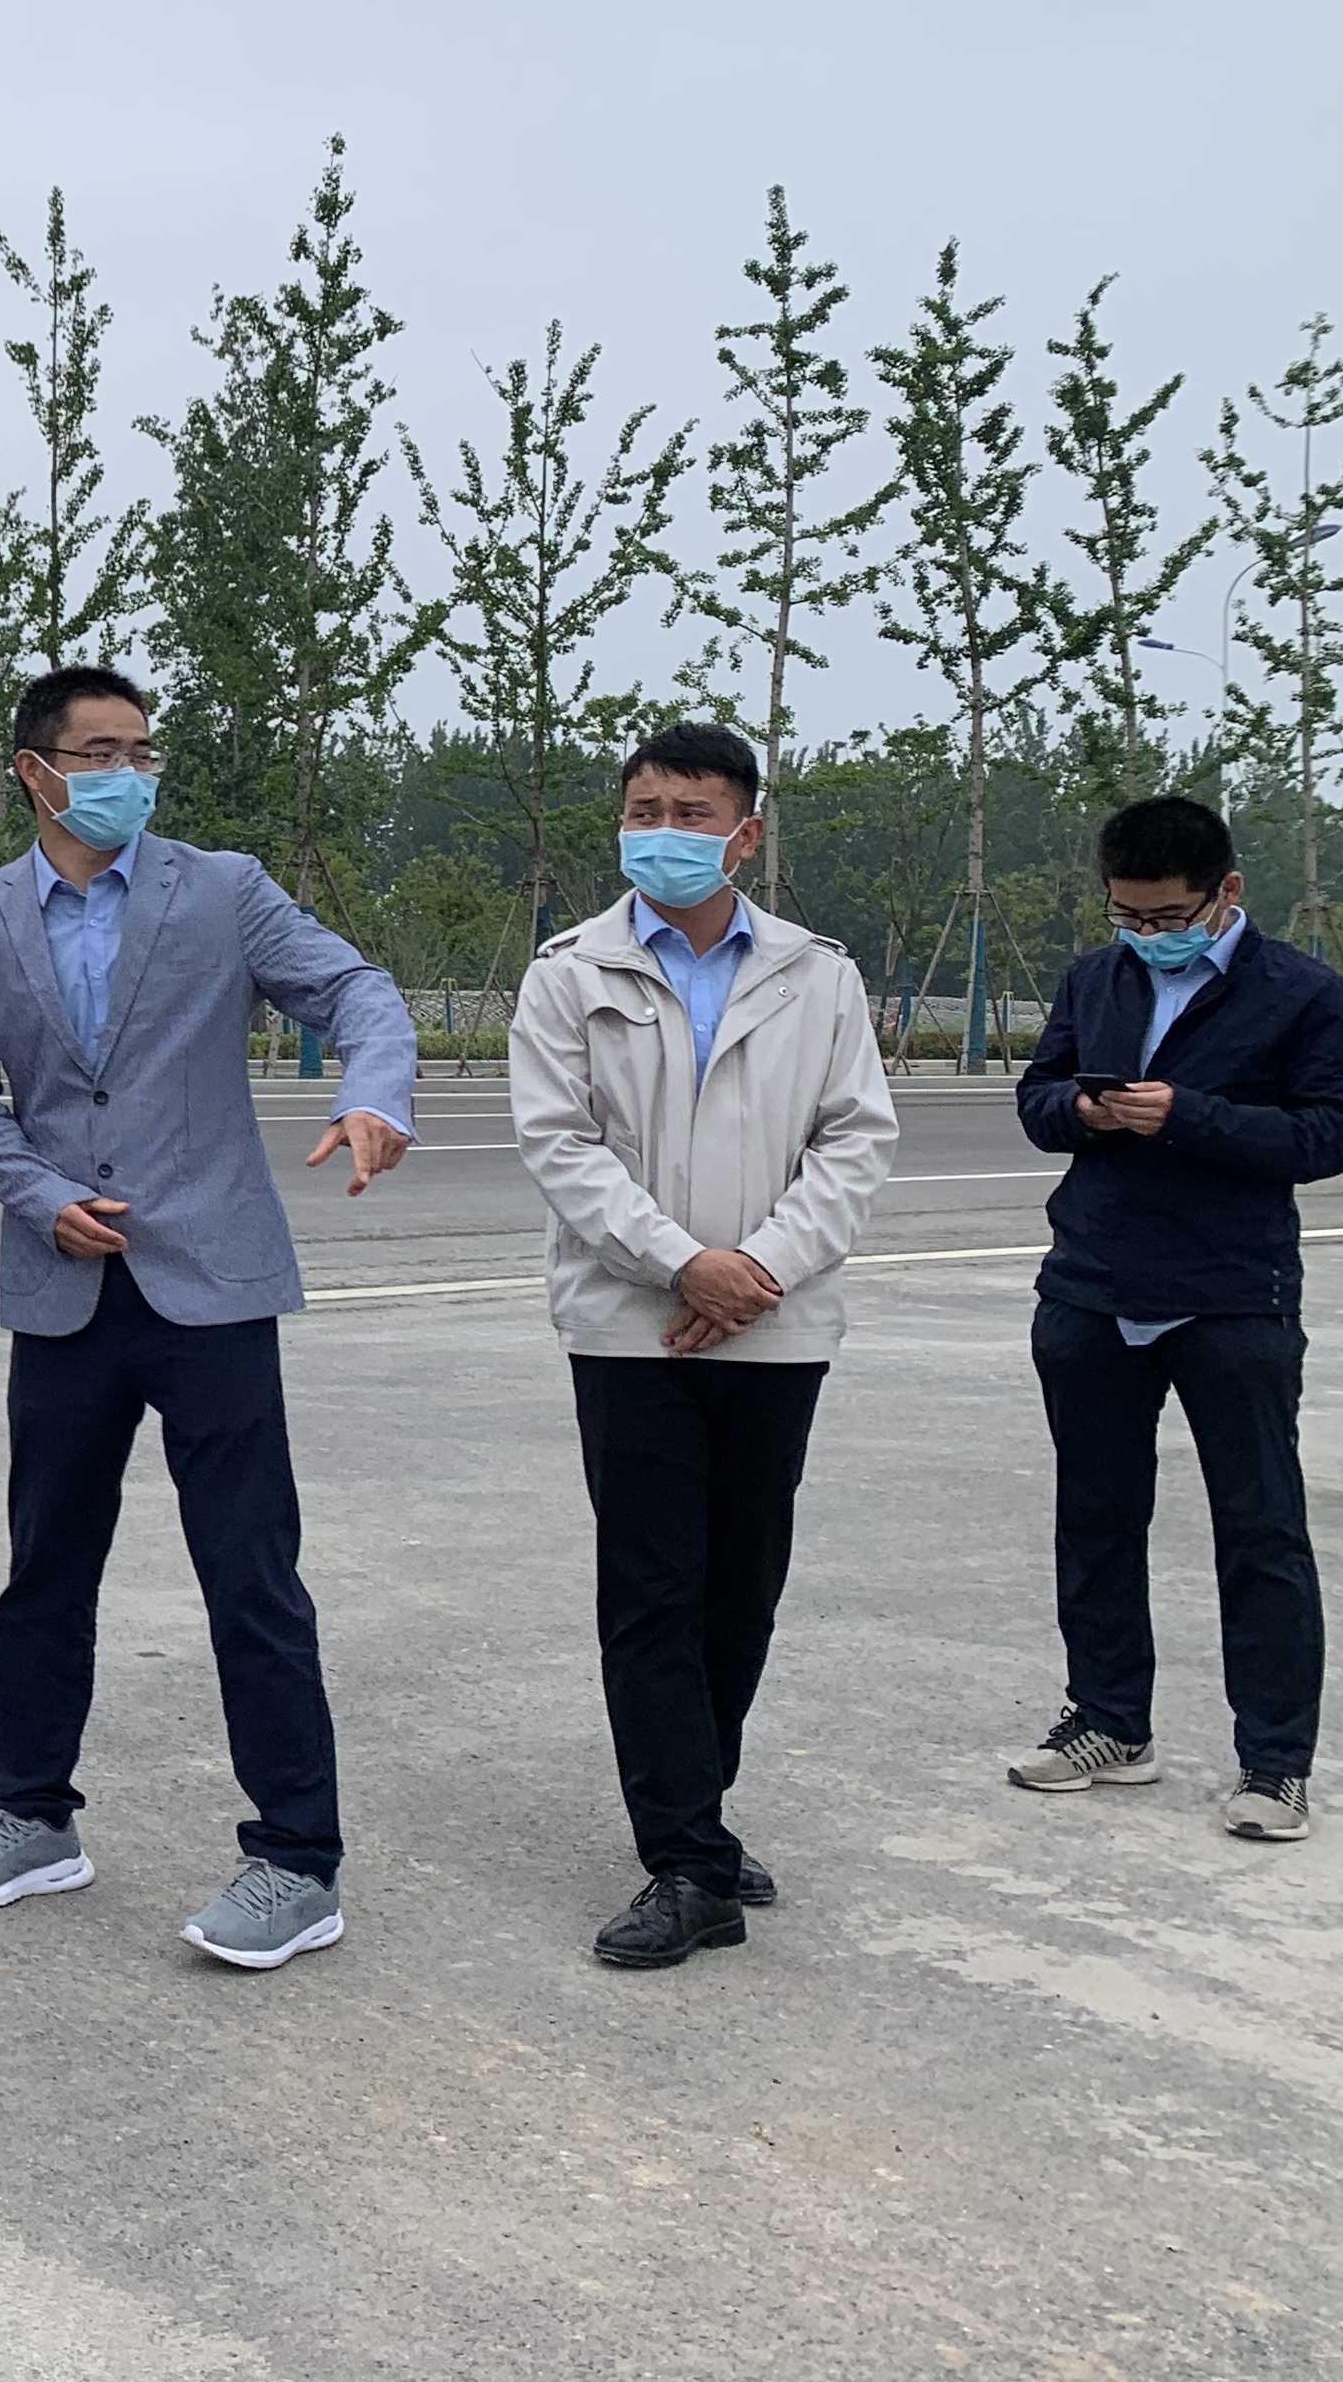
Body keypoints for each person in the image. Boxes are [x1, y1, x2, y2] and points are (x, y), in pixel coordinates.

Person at [0, 664, 414, 1972]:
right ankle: (32, 1816)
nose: (127, 773)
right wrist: (41, 1196)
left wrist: (375, 1091)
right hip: (65, 1293)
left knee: (250, 1576)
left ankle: (296, 1859)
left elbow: (355, 990)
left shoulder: (223, 890)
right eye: (99, 753)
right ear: (35, 771)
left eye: (141, 751)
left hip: (212, 1288)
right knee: (44, 1572)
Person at [507, 722, 896, 1968]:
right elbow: (561, 1145)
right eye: (645, 810)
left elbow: (855, 1141)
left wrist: (757, 1271)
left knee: (741, 1589)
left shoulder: (817, 975)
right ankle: (684, 1860)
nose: (664, 832)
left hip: (775, 1327)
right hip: (631, 1329)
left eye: (692, 812)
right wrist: (684, 1264)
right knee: (652, 1591)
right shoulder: (570, 972)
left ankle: (700, 1818)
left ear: (745, 833)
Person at [1006, 795, 1343, 1842]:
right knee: (1097, 1514)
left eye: (1167, 917)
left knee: (1260, 1529)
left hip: (1231, 1296)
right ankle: (1109, 1721)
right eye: (1127, 914)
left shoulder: (1304, 993)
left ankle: (1275, 1764)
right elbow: (1037, 1100)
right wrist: (1083, 1110)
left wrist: (1188, 1116)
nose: (1146, 934)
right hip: (1093, 1286)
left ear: (1226, 894)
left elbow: (1332, 1134)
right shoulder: (1096, 979)